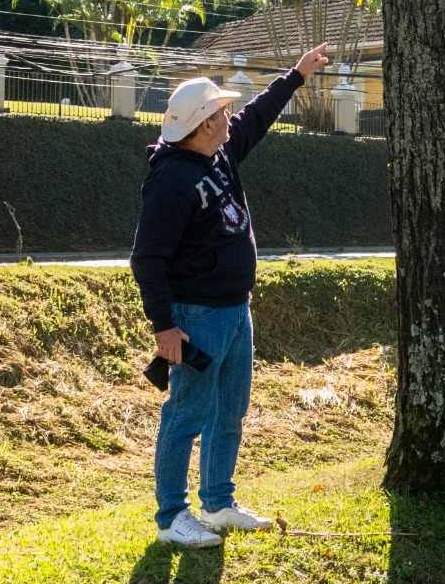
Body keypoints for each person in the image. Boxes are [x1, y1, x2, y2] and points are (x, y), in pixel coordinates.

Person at [130, 43, 330, 548]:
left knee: (229, 410)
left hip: (236, 309)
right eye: (220, 112)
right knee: (186, 414)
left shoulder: (219, 150)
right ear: (202, 125)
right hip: (195, 315)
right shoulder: (171, 180)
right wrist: (164, 327)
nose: (229, 116)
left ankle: (218, 503)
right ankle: (172, 517)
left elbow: (258, 116)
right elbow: (147, 259)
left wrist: (297, 75)